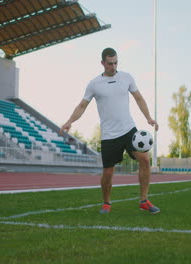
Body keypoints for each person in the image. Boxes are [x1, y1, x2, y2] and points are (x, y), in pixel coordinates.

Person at [60, 47, 160, 214]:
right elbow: (82, 105)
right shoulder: (94, 84)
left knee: (145, 159)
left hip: (129, 130)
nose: (113, 67)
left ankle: (144, 200)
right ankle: (106, 203)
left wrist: (148, 117)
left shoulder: (126, 77)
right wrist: (70, 121)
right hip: (109, 135)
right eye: (109, 64)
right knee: (108, 172)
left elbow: (139, 98)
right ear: (102, 63)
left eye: (115, 63)